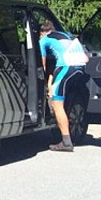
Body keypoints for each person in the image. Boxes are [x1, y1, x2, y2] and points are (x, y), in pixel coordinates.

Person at [39, 18, 89, 152]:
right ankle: (66, 127)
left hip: (66, 67)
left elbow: (42, 65)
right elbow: (87, 57)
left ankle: (66, 142)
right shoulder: (68, 35)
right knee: (65, 97)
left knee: (56, 104)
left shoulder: (44, 40)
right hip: (80, 67)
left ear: (42, 33)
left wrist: (45, 81)